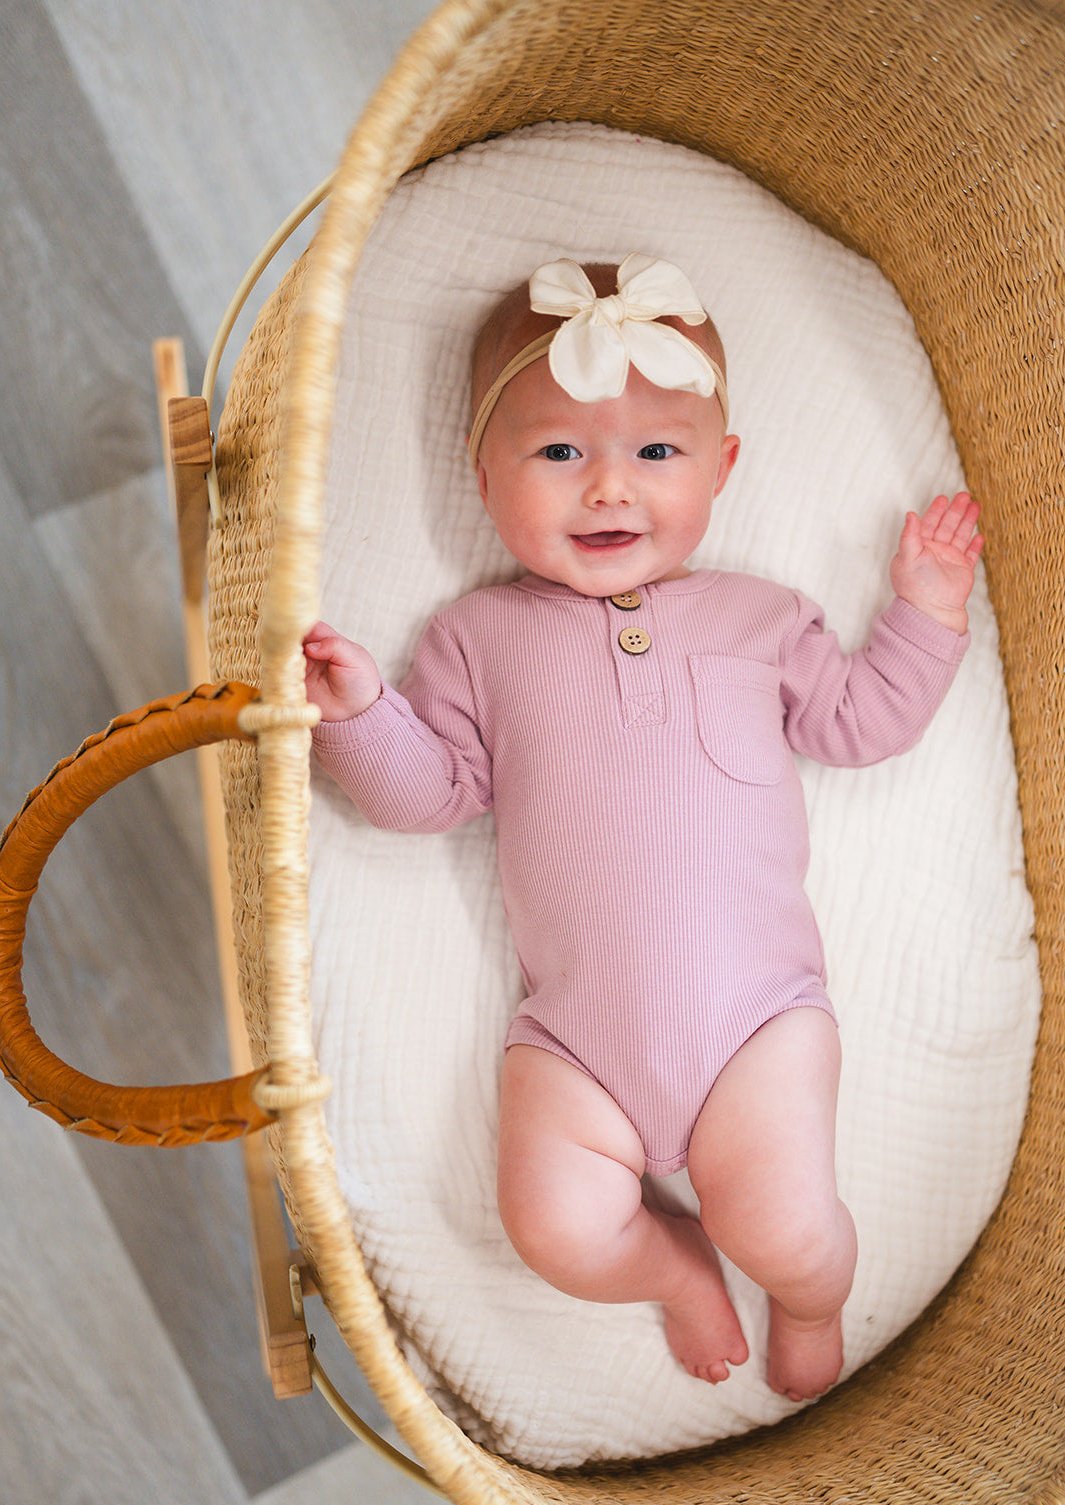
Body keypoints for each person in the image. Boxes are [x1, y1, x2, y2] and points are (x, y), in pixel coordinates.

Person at [304, 255, 982, 1402]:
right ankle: (670, 1270)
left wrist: (925, 610)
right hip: (575, 1046)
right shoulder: (478, 636)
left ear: (723, 468)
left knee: (790, 1229)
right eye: (561, 452)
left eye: (655, 453)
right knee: (554, 1226)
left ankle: (809, 1297)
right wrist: (361, 715)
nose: (610, 489)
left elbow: (862, 721)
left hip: (753, 1022)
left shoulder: (760, 614)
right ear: (484, 475)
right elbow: (433, 794)